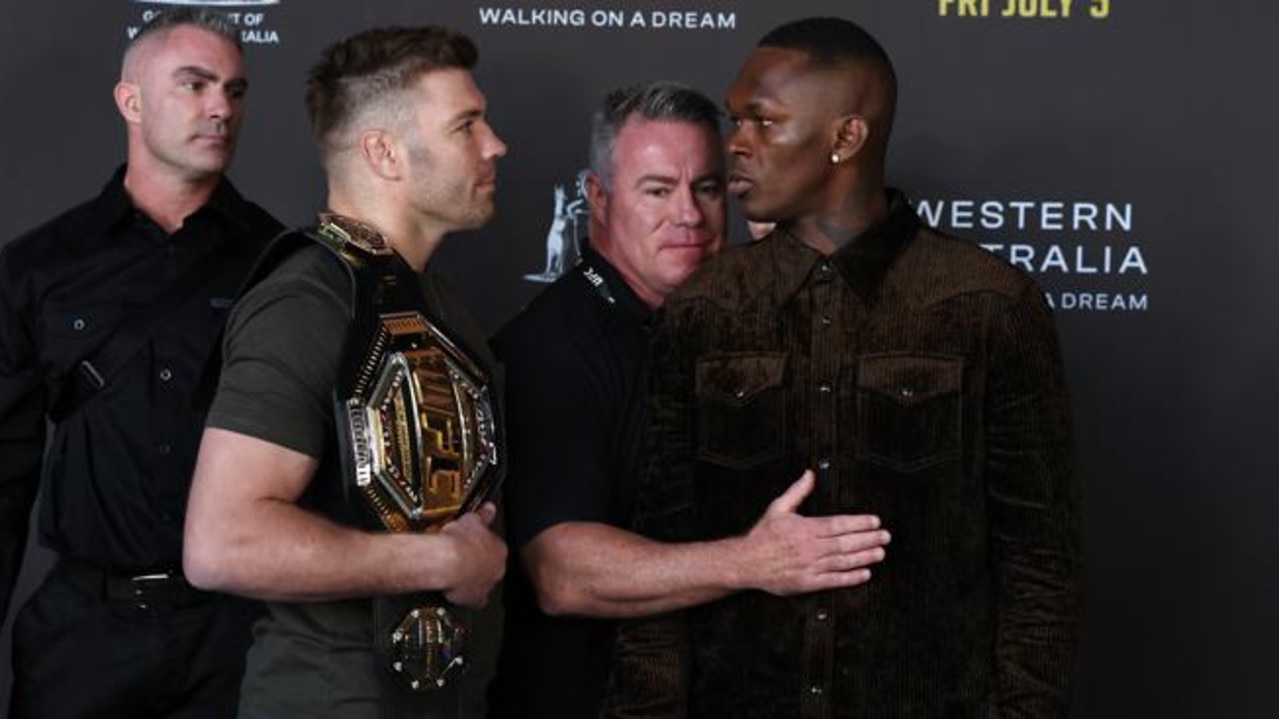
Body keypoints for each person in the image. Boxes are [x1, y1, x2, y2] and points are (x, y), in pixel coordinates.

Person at [607, 17, 1084, 719]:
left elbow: (1039, 564)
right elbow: (661, 545)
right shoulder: (704, 307)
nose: (734, 145)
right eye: (735, 119)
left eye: (762, 123)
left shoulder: (986, 304)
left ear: (845, 137)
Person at [489, 81, 891, 718]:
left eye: (705, 188)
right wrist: (753, 561)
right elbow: (563, 573)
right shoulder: (549, 350)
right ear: (598, 198)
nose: (688, 215)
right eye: (657, 190)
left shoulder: (732, 323)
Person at [181, 25, 508, 718]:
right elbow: (221, 541)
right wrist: (440, 562)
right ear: (384, 152)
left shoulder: (434, 300)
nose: (495, 144)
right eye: (467, 125)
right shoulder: (305, 303)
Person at [0, 9, 281, 719]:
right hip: (83, 634)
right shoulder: (39, 265)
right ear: (130, 101)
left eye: (234, 89)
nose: (221, 107)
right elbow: (3, 468)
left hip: (240, 634)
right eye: (194, 84)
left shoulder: (284, 264)